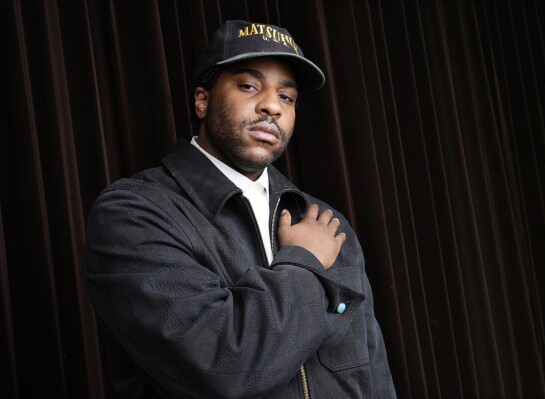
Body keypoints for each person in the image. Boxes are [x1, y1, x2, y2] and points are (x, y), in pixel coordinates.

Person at [85, 20, 396, 398]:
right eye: (249, 86)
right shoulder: (135, 213)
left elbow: (372, 376)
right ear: (202, 100)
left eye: (287, 97)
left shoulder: (326, 223)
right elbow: (220, 367)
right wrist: (304, 264)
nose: (271, 106)